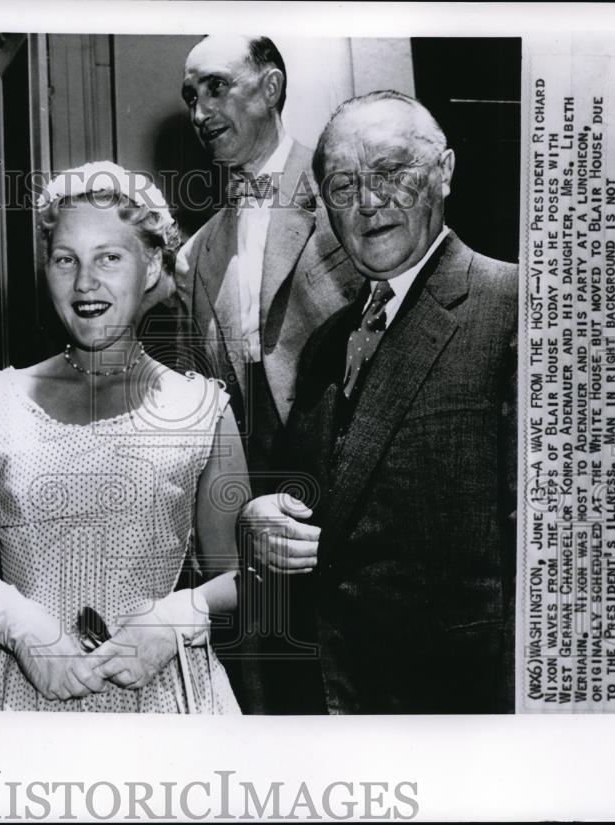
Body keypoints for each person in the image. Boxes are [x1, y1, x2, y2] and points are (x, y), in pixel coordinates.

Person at [240, 90, 518, 713]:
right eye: (342, 184)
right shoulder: (325, 343)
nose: (368, 203)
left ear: (444, 171)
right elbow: (313, 504)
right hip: (333, 709)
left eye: (392, 173)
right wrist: (259, 520)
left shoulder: (519, 307)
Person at [0, 162, 247, 712]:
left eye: (109, 257)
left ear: (151, 264)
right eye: (66, 260)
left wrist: (176, 619)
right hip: (22, 697)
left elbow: (244, 577)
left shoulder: (203, 407)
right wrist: (17, 622)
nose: (85, 282)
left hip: (162, 705)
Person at [176, 35, 359, 712]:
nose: (200, 110)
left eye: (217, 87)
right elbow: (203, 410)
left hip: (355, 522)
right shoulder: (196, 255)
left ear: (272, 87)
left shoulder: (350, 192)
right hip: (258, 540)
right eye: (190, 96)